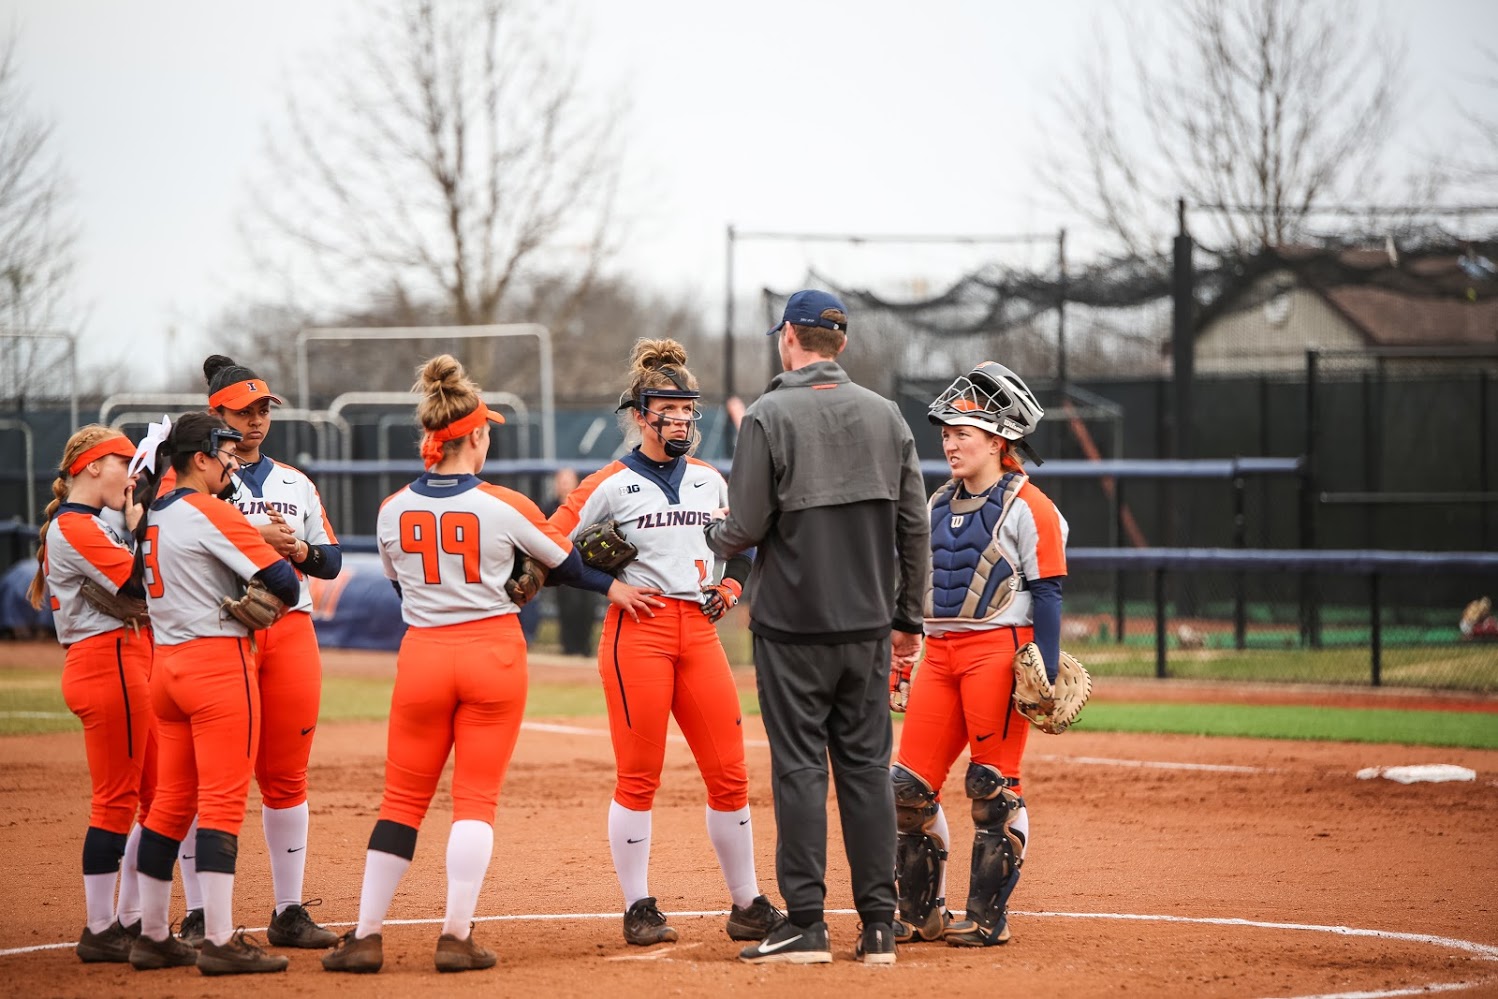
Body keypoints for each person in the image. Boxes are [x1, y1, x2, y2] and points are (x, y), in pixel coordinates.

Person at [322, 355, 663, 975]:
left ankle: (367, 936)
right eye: (488, 432)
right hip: (492, 654)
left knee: (400, 800)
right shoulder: (505, 504)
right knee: (474, 801)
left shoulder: (392, 509)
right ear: (474, 434)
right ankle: (455, 935)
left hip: (424, 653)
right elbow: (566, 564)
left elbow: (399, 588)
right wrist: (613, 588)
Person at [704, 290, 929, 965]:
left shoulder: (768, 414)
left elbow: (742, 527)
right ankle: (880, 925)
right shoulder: (887, 416)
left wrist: (710, 530)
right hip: (867, 626)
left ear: (789, 340)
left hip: (791, 627)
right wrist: (908, 617)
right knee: (864, 769)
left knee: (800, 768)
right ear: (844, 344)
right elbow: (913, 524)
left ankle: (805, 922)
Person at [549, 339, 782, 948]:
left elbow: (746, 538)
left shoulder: (708, 479)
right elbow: (547, 549)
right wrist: (607, 586)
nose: (679, 420)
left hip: (699, 632)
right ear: (639, 414)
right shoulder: (608, 482)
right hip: (639, 633)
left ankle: (748, 904)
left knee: (730, 773)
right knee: (640, 775)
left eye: (687, 410)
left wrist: (731, 584)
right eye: (666, 409)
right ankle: (638, 906)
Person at [887, 361, 1067, 949]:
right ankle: (920, 913)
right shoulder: (936, 502)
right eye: (946, 432)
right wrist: (906, 642)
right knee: (907, 790)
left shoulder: (1029, 505)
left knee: (993, 788)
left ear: (998, 440)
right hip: (939, 653)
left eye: (963, 432)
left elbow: (1048, 590)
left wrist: (1044, 660)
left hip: (998, 650)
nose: (950, 442)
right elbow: (916, 583)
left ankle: (989, 916)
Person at [170, 355, 342, 950]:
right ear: (214, 414)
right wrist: (250, 538)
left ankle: (289, 911)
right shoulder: (184, 484)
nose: (256, 421)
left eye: (264, 409)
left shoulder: (294, 482)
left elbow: (331, 559)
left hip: (289, 632)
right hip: (221, 634)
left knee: (286, 777)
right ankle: (197, 914)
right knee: (202, 778)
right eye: (243, 411)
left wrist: (298, 552)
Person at [128, 411, 303, 975]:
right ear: (197, 458)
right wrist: (247, 586)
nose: (231, 459)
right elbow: (287, 581)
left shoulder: (155, 512)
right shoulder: (208, 509)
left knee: (171, 805)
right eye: (223, 450)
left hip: (167, 668)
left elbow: (136, 584)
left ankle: (153, 934)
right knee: (224, 802)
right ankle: (222, 940)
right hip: (216, 667)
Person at [27, 427, 155, 964]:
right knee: (117, 801)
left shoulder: (88, 524)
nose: (131, 478)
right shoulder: (74, 525)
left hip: (124, 659)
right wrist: (140, 528)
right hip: (109, 662)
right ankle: (102, 926)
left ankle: (130, 919)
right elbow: (137, 583)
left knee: (158, 795)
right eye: (125, 464)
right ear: (94, 465)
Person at [548, 467, 602, 656]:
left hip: (586, 562)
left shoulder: (588, 506)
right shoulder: (550, 507)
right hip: (563, 564)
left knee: (588, 606)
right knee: (567, 606)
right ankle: (569, 647)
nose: (563, 485)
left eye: (567, 481)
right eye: (561, 481)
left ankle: (585, 647)